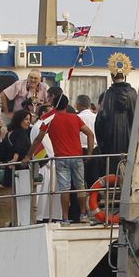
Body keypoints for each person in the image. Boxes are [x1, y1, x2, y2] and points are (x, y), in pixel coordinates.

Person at [32, 92, 98, 223]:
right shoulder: (75, 118)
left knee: (65, 189)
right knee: (80, 187)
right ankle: (83, 215)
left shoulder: (50, 120)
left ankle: (65, 218)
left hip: (61, 159)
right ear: (67, 105)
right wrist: (89, 154)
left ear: (53, 105)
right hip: (77, 157)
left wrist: (28, 156)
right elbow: (90, 134)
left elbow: (38, 139)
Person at [94, 54, 138, 180]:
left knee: (112, 169)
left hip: (111, 140)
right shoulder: (132, 93)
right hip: (130, 139)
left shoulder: (109, 94)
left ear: (112, 76)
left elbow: (101, 119)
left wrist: (102, 141)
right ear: (125, 74)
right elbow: (137, 116)